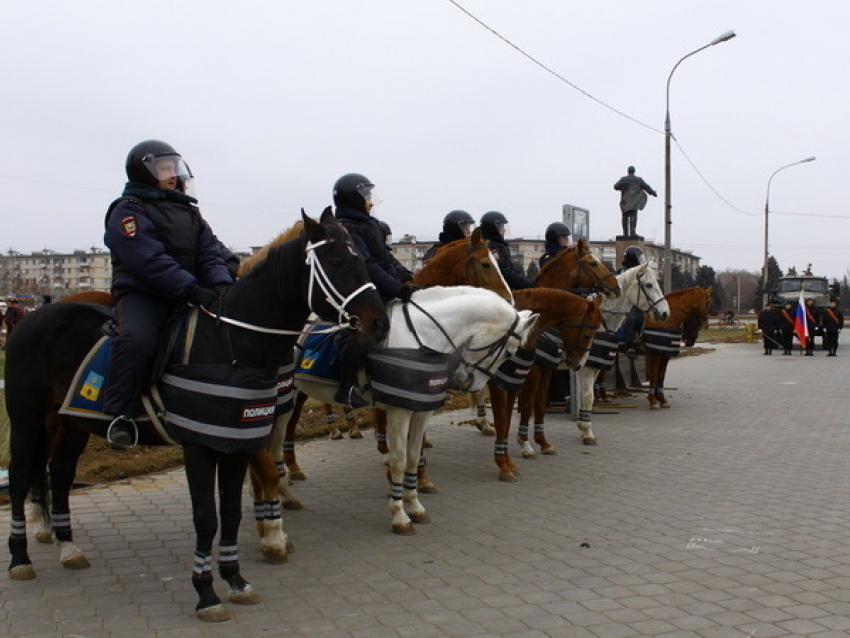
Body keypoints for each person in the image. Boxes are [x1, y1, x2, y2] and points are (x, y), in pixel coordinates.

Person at [102, 140, 233, 450]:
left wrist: (220, 286)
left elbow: (210, 253)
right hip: (143, 295)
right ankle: (121, 414)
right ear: (144, 171)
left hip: (188, 293)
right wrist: (191, 289)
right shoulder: (127, 210)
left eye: (174, 168)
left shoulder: (189, 212)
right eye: (164, 168)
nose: (172, 174)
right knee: (138, 340)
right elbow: (147, 259)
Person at [333, 172, 419, 408]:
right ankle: (346, 387)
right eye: (366, 195)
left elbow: (387, 259)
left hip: (379, 288)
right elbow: (367, 265)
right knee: (363, 331)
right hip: (357, 291)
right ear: (353, 198)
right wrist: (398, 290)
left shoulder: (371, 225)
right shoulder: (346, 229)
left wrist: (406, 278)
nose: (371, 200)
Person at [479, 211, 534, 290]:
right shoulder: (492, 248)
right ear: (493, 228)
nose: (504, 230)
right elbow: (505, 272)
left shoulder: (500, 246)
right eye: (501, 227)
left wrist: (528, 283)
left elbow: (512, 269)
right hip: (496, 291)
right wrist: (528, 286)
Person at [613, 166, 657, 237]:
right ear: (634, 171)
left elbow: (616, 186)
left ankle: (625, 233)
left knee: (625, 216)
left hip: (625, 201)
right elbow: (646, 187)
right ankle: (632, 232)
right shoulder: (638, 180)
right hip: (634, 201)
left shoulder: (623, 179)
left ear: (628, 171)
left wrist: (623, 187)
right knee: (633, 215)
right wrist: (653, 193)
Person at [377, 219, 413, 283]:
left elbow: (396, 264)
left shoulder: (386, 253)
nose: (388, 240)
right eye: (386, 237)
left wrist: (406, 274)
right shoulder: (378, 254)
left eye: (389, 237)